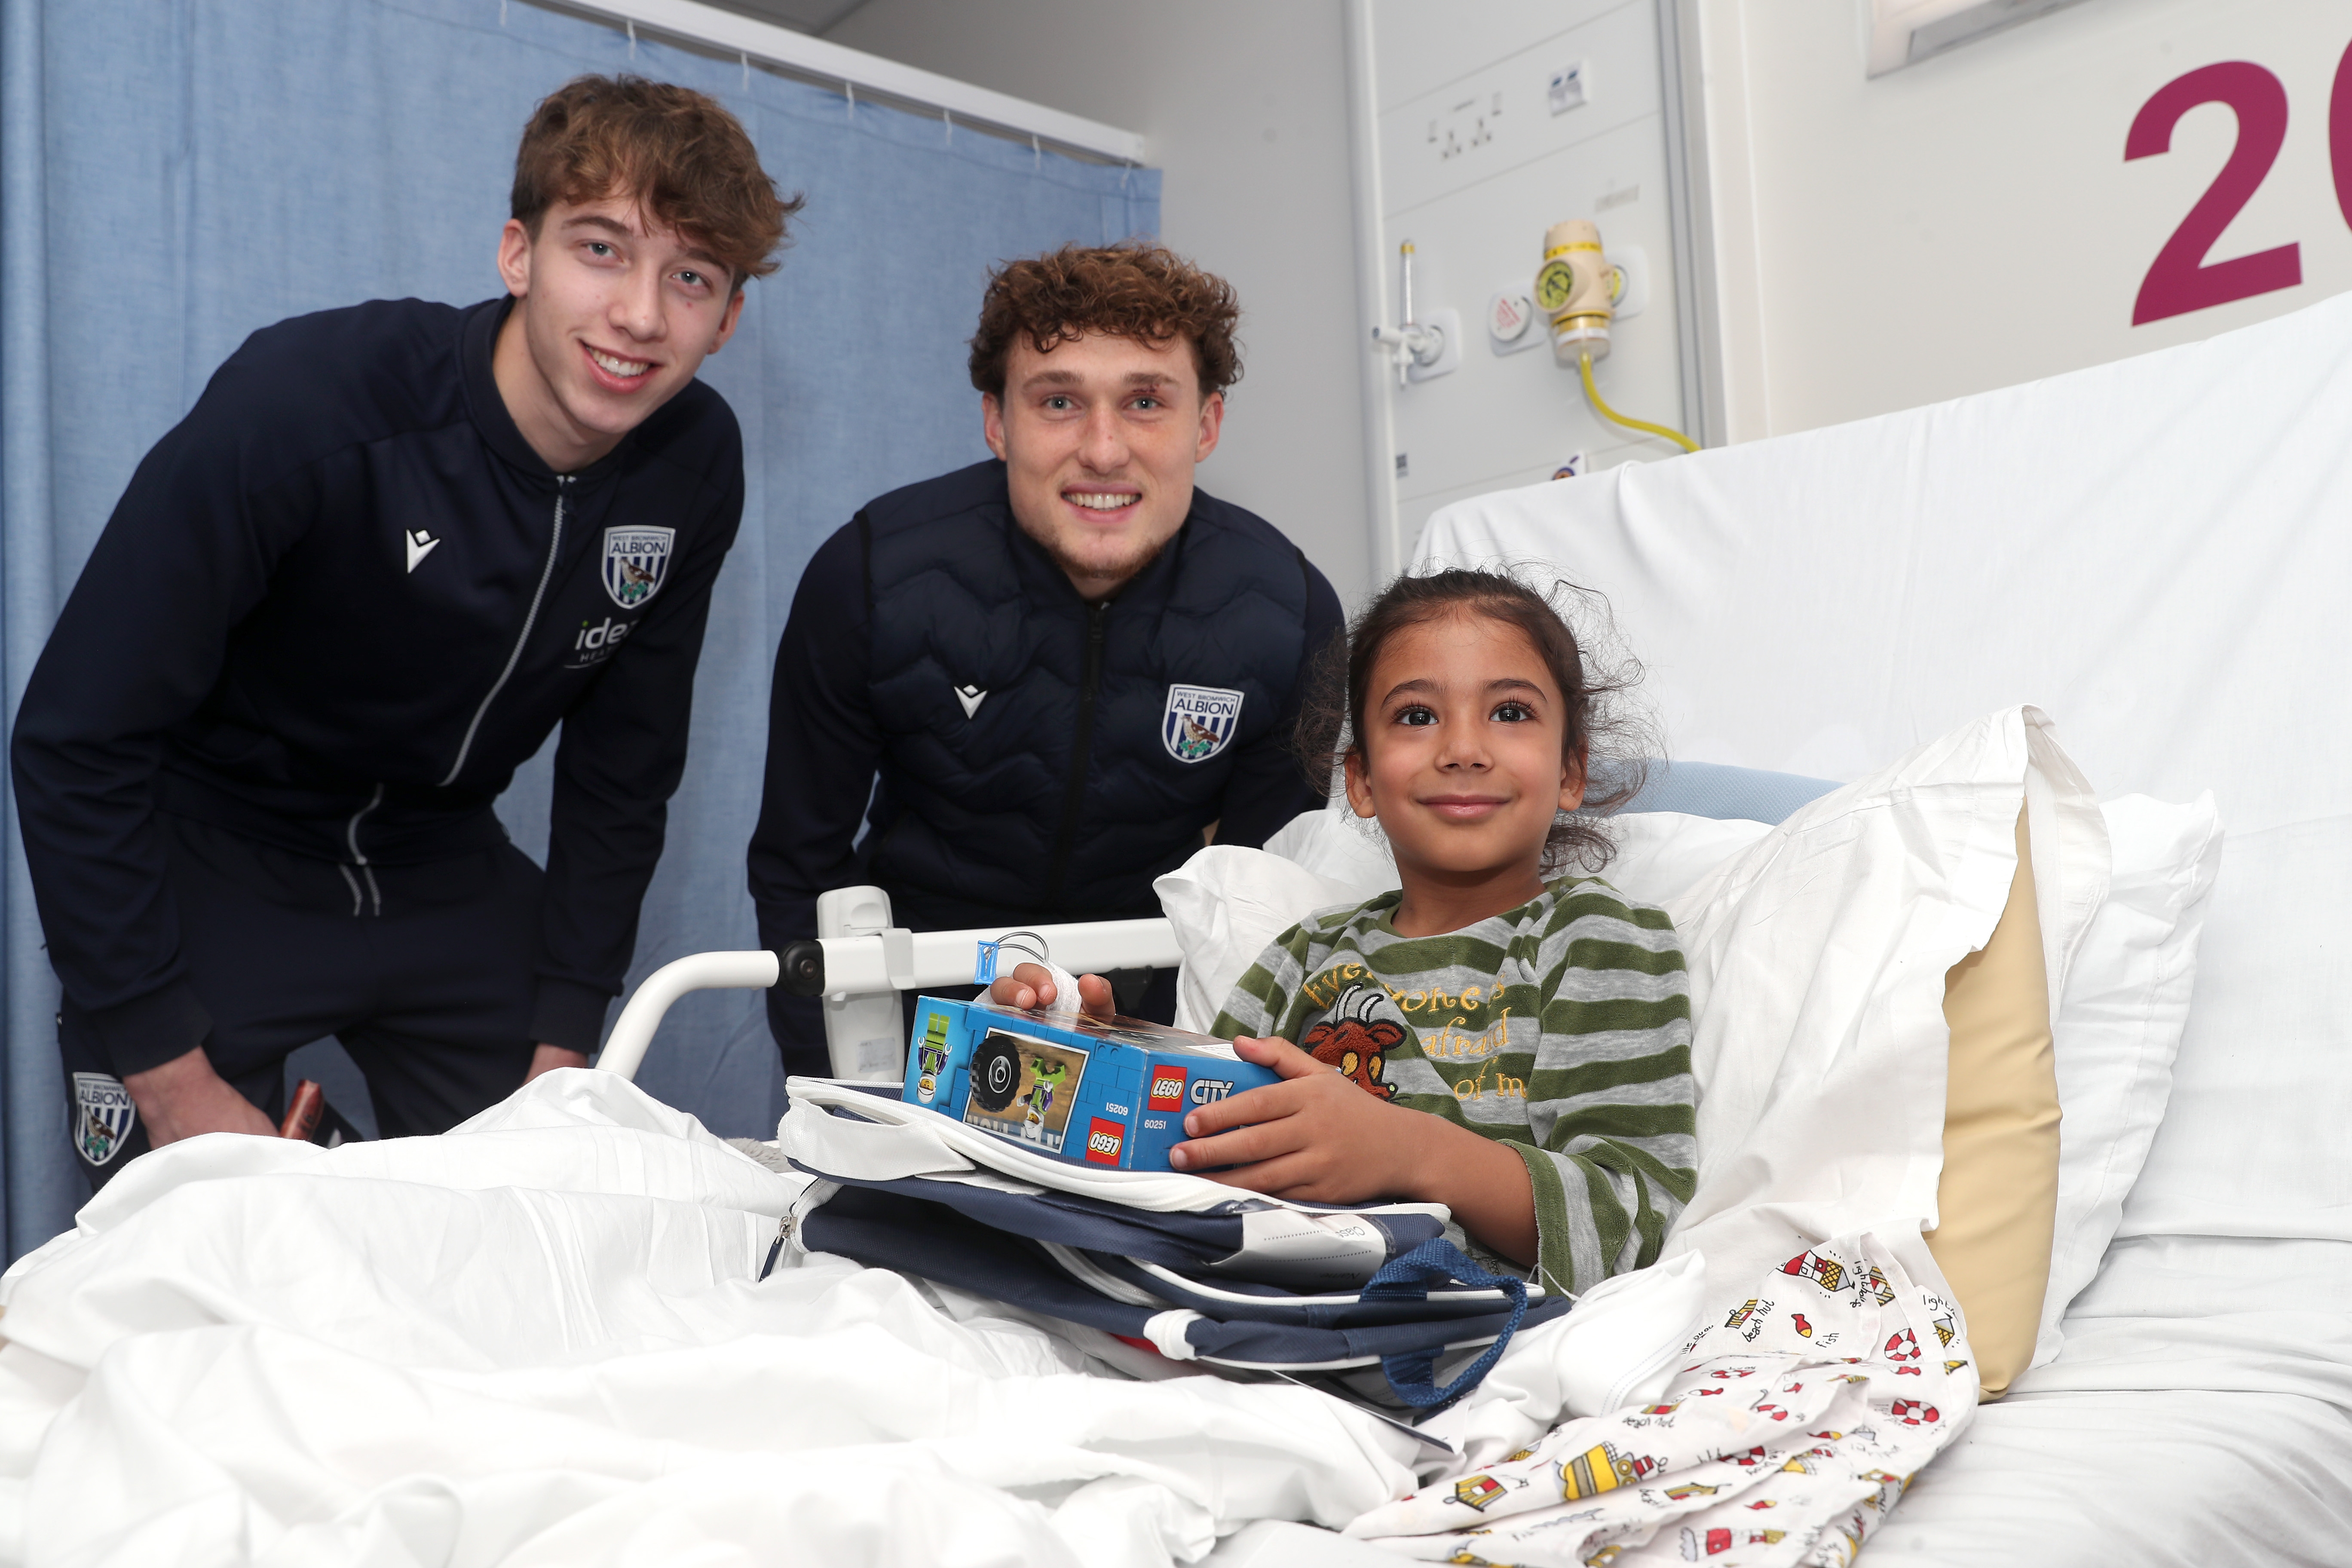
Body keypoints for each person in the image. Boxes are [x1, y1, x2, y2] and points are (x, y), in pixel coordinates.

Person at [16, 76, 798, 1184]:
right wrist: (168, 1078)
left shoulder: (694, 465)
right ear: (517, 254)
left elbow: (622, 774)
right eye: (602, 249)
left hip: (441, 866)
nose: (640, 315)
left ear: (726, 321)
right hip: (216, 853)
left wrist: (563, 1046)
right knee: (161, 1267)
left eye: (690, 277)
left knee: (551, 1221)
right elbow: (74, 736)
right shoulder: (312, 402)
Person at [987, 568, 1696, 1297]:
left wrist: (1408, 1151)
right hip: (1248, 1290)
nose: (1462, 748)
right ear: (1359, 780)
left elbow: (1632, 1221)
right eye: (1417, 716)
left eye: (1510, 712)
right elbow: (1199, 1129)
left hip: (1457, 1321)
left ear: (1571, 768)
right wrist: (1093, 1052)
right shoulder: (1305, 956)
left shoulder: (1596, 940)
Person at [749, 243, 1345, 1075]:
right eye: (1060, 401)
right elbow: (797, 865)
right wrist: (842, 1090)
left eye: (1145, 401)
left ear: (1206, 424)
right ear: (998, 421)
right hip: (914, 1019)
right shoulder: (874, 578)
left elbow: (1261, 903)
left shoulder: (1286, 614)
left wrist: (1196, 1074)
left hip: (1150, 1022)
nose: (1103, 451)